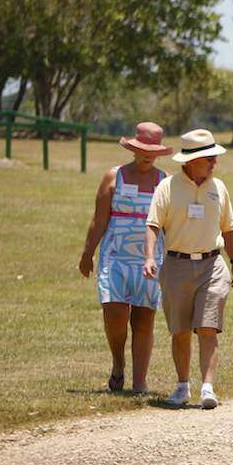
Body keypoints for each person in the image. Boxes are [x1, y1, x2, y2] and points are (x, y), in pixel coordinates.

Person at [144, 129, 233, 410]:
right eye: (208, 158)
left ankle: (208, 388)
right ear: (189, 161)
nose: (214, 162)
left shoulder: (219, 188)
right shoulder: (167, 187)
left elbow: (229, 229)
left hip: (213, 265)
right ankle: (182, 387)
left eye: (214, 157)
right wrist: (149, 257)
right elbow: (152, 225)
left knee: (208, 327)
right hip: (176, 265)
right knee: (181, 331)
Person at [78, 122, 172, 393]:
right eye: (142, 149)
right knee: (115, 313)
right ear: (132, 148)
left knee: (144, 319)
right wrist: (87, 253)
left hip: (149, 258)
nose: (147, 154)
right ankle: (118, 363)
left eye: (153, 150)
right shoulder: (113, 176)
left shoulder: (164, 181)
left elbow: (171, 223)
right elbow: (99, 219)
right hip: (115, 255)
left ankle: (139, 383)